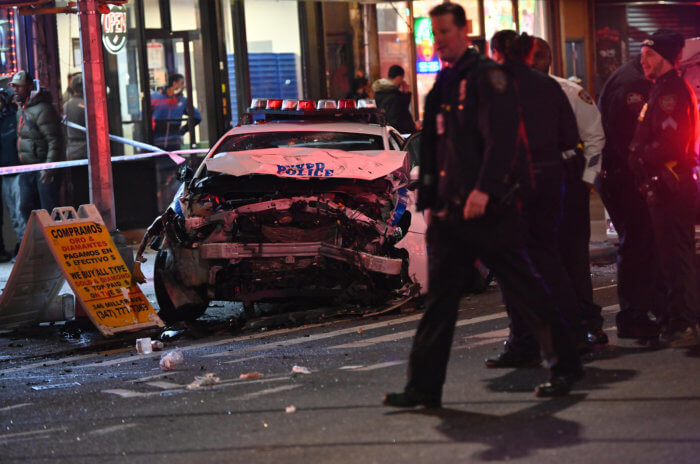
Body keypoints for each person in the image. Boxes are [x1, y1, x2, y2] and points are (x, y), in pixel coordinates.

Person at [382, 4, 582, 408]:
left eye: (446, 33)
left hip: (490, 209)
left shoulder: (488, 78)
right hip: (453, 213)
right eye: (435, 34)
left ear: (465, 31)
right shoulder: (443, 83)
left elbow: (503, 138)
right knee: (440, 300)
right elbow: (434, 148)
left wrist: (485, 190)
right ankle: (423, 386)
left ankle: (565, 364)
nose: (439, 41)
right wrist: (433, 202)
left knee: (523, 286)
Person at [485, 30, 584, 369]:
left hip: (511, 184)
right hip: (550, 181)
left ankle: (524, 342)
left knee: (512, 268)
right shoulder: (549, 86)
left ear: (497, 52)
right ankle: (570, 337)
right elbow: (570, 136)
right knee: (549, 262)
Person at [532, 37, 608, 345]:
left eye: (538, 57)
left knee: (574, 259)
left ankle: (589, 323)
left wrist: (587, 179)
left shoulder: (570, 93)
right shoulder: (510, 95)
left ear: (549, 59)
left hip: (567, 185)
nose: (532, 63)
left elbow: (595, 138)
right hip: (531, 190)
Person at [628, 30, 699, 344]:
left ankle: (683, 323)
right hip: (661, 185)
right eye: (643, 54)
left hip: (671, 186)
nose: (644, 60)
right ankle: (675, 319)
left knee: (676, 257)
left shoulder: (672, 92)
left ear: (669, 58)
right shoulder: (661, 89)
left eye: (651, 55)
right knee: (668, 256)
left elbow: (671, 142)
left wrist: (641, 154)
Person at [597, 48, 661, 339]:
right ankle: (633, 314)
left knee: (643, 241)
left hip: (620, 174)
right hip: (623, 176)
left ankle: (649, 308)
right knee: (636, 242)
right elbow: (629, 138)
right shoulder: (633, 85)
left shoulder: (633, 76)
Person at [10, 70, 63, 229]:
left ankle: (55, 247)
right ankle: (38, 245)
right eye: (14, 86)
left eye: (20, 87)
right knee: (26, 206)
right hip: (28, 169)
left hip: (42, 168)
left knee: (49, 210)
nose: (15, 89)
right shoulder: (21, 109)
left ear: (29, 87)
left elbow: (55, 141)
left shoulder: (43, 109)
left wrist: (48, 169)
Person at [150, 73, 201, 151]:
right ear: (174, 83)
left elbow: (197, 117)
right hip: (157, 140)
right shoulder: (155, 96)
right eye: (181, 83)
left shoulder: (182, 100)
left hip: (174, 140)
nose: (183, 87)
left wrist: (183, 130)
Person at [0, 89, 23, 261]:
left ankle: (24, 248)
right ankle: (23, 248)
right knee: (14, 215)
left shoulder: (14, 116)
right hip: (5, 172)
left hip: (18, 170)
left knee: (20, 212)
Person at [63, 73, 89, 209]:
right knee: (86, 188)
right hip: (87, 152)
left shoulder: (66, 105)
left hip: (72, 152)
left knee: (76, 188)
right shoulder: (89, 105)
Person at [371, 65, 416, 134]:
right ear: (398, 77)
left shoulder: (381, 91)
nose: (402, 81)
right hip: (400, 133)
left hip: (390, 131)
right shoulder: (393, 94)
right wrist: (406, 94)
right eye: (402, 78)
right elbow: (400, 115)